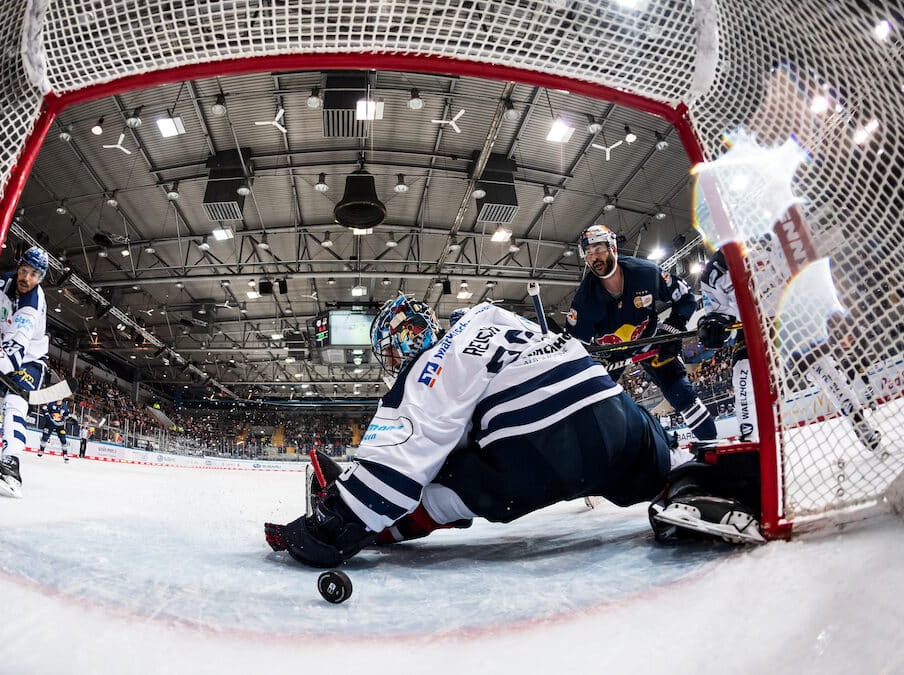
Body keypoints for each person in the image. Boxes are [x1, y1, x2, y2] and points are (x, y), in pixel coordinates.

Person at [265, 295, 762, 569]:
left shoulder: (427, 369)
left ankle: (384, 530)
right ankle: (694, 487)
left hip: (540, 449)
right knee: (654, 463)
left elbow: (397, 464)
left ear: (396, 349)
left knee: (440, 486)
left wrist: (333, 524)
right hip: (611, 410)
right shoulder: (493, 316)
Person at [699, 245, 880, 450]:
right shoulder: (712, 272)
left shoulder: (764, 243)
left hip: (789, 320)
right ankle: (751, 443)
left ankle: (859, 422)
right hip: (752, 330)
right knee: (743, 375)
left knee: (824, 367)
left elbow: (796, 276)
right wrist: (712, 325)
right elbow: (716, 311)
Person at [565, 224, 717, 441]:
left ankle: (712, 445)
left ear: (613, 249)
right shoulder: (584, 300)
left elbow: (685, 297)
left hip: (650, 341)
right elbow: (573, 344)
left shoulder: (645, 272)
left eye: (598, 250)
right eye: (589, 253)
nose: (594, 258)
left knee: (681, 393)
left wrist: (673, 326)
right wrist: (592, 360)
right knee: (591, 409)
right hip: (611, 355)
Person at [0, 246, 50, 492]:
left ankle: (11, 465)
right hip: (3, 350)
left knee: (14, 401)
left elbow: (16, 352)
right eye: (24, 271)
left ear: (40, 278)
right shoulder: (3, 281)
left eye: (34, 275)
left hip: (29, 359)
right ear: (18, 267)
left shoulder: (32, 305)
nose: (27, 278)